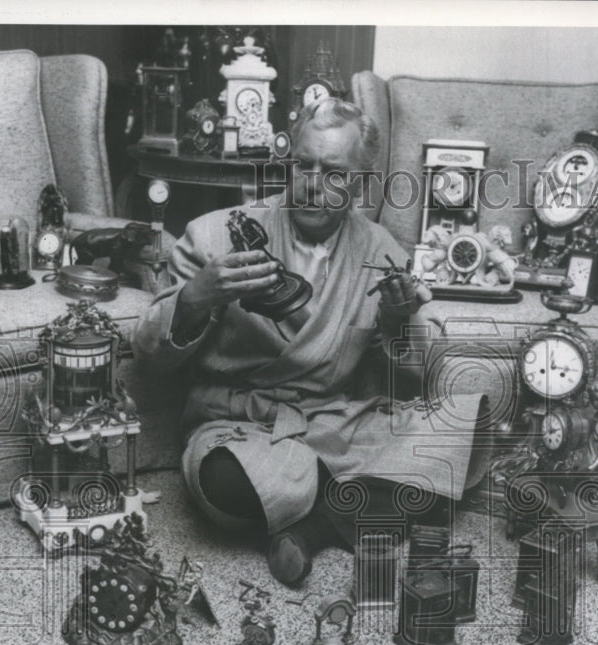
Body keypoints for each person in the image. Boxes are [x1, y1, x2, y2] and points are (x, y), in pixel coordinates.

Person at [133, 99, 490, 585]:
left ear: (361, 183)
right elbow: (150, 358)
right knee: (222, 481)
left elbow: (406, 380)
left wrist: (397, 322)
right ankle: (356, 503)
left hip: (336, 421)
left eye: (334, 173)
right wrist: (197, 298)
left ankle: (310, 528)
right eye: (304, 166)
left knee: (460, 432)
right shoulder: (213, 236)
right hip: (243, 427)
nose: (313, 184)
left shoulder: (383, 253)